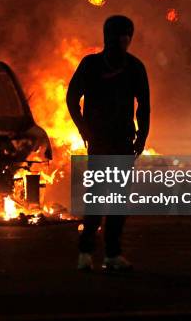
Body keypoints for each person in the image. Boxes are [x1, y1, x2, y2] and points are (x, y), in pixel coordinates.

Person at [66, 15, 150, 272]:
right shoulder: (91, 64)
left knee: (118, 200)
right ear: (107, 37)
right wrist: (85, 129)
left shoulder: (135, 67)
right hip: (101, 141)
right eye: (118, 35)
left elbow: (143, 106)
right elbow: (72, 99)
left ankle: (111, 255)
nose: (122, 40)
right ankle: (85, 252)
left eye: (126, 35)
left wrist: (141, 136)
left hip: (123, 140)